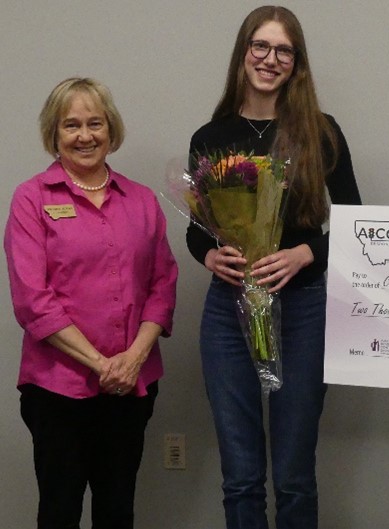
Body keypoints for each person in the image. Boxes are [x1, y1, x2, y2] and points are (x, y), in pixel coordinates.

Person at [186, 6, 361, 529]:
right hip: (228, 310)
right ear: (244, 54)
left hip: (304, 307)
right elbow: (197, 229)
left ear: (297, 63)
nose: (270, 59)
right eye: (260, 47)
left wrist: (307, 253)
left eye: (283, 50)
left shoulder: (321, 133)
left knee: (293, 476)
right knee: (239, 477)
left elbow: (356, 221)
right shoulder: (210, 136)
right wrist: (209, 255)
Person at [4, 77, 178, 529]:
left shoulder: (140, 200)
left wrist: (133, 358)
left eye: (95, 123)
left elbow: (163, 283)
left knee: (118, 509)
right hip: (57, 388)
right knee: (59, 510)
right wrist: (103, 364)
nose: (85, 136)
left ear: (111, 128)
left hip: (133, 385)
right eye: (71, 125)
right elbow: (32, 300)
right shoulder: (31, 199)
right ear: (54, 133)